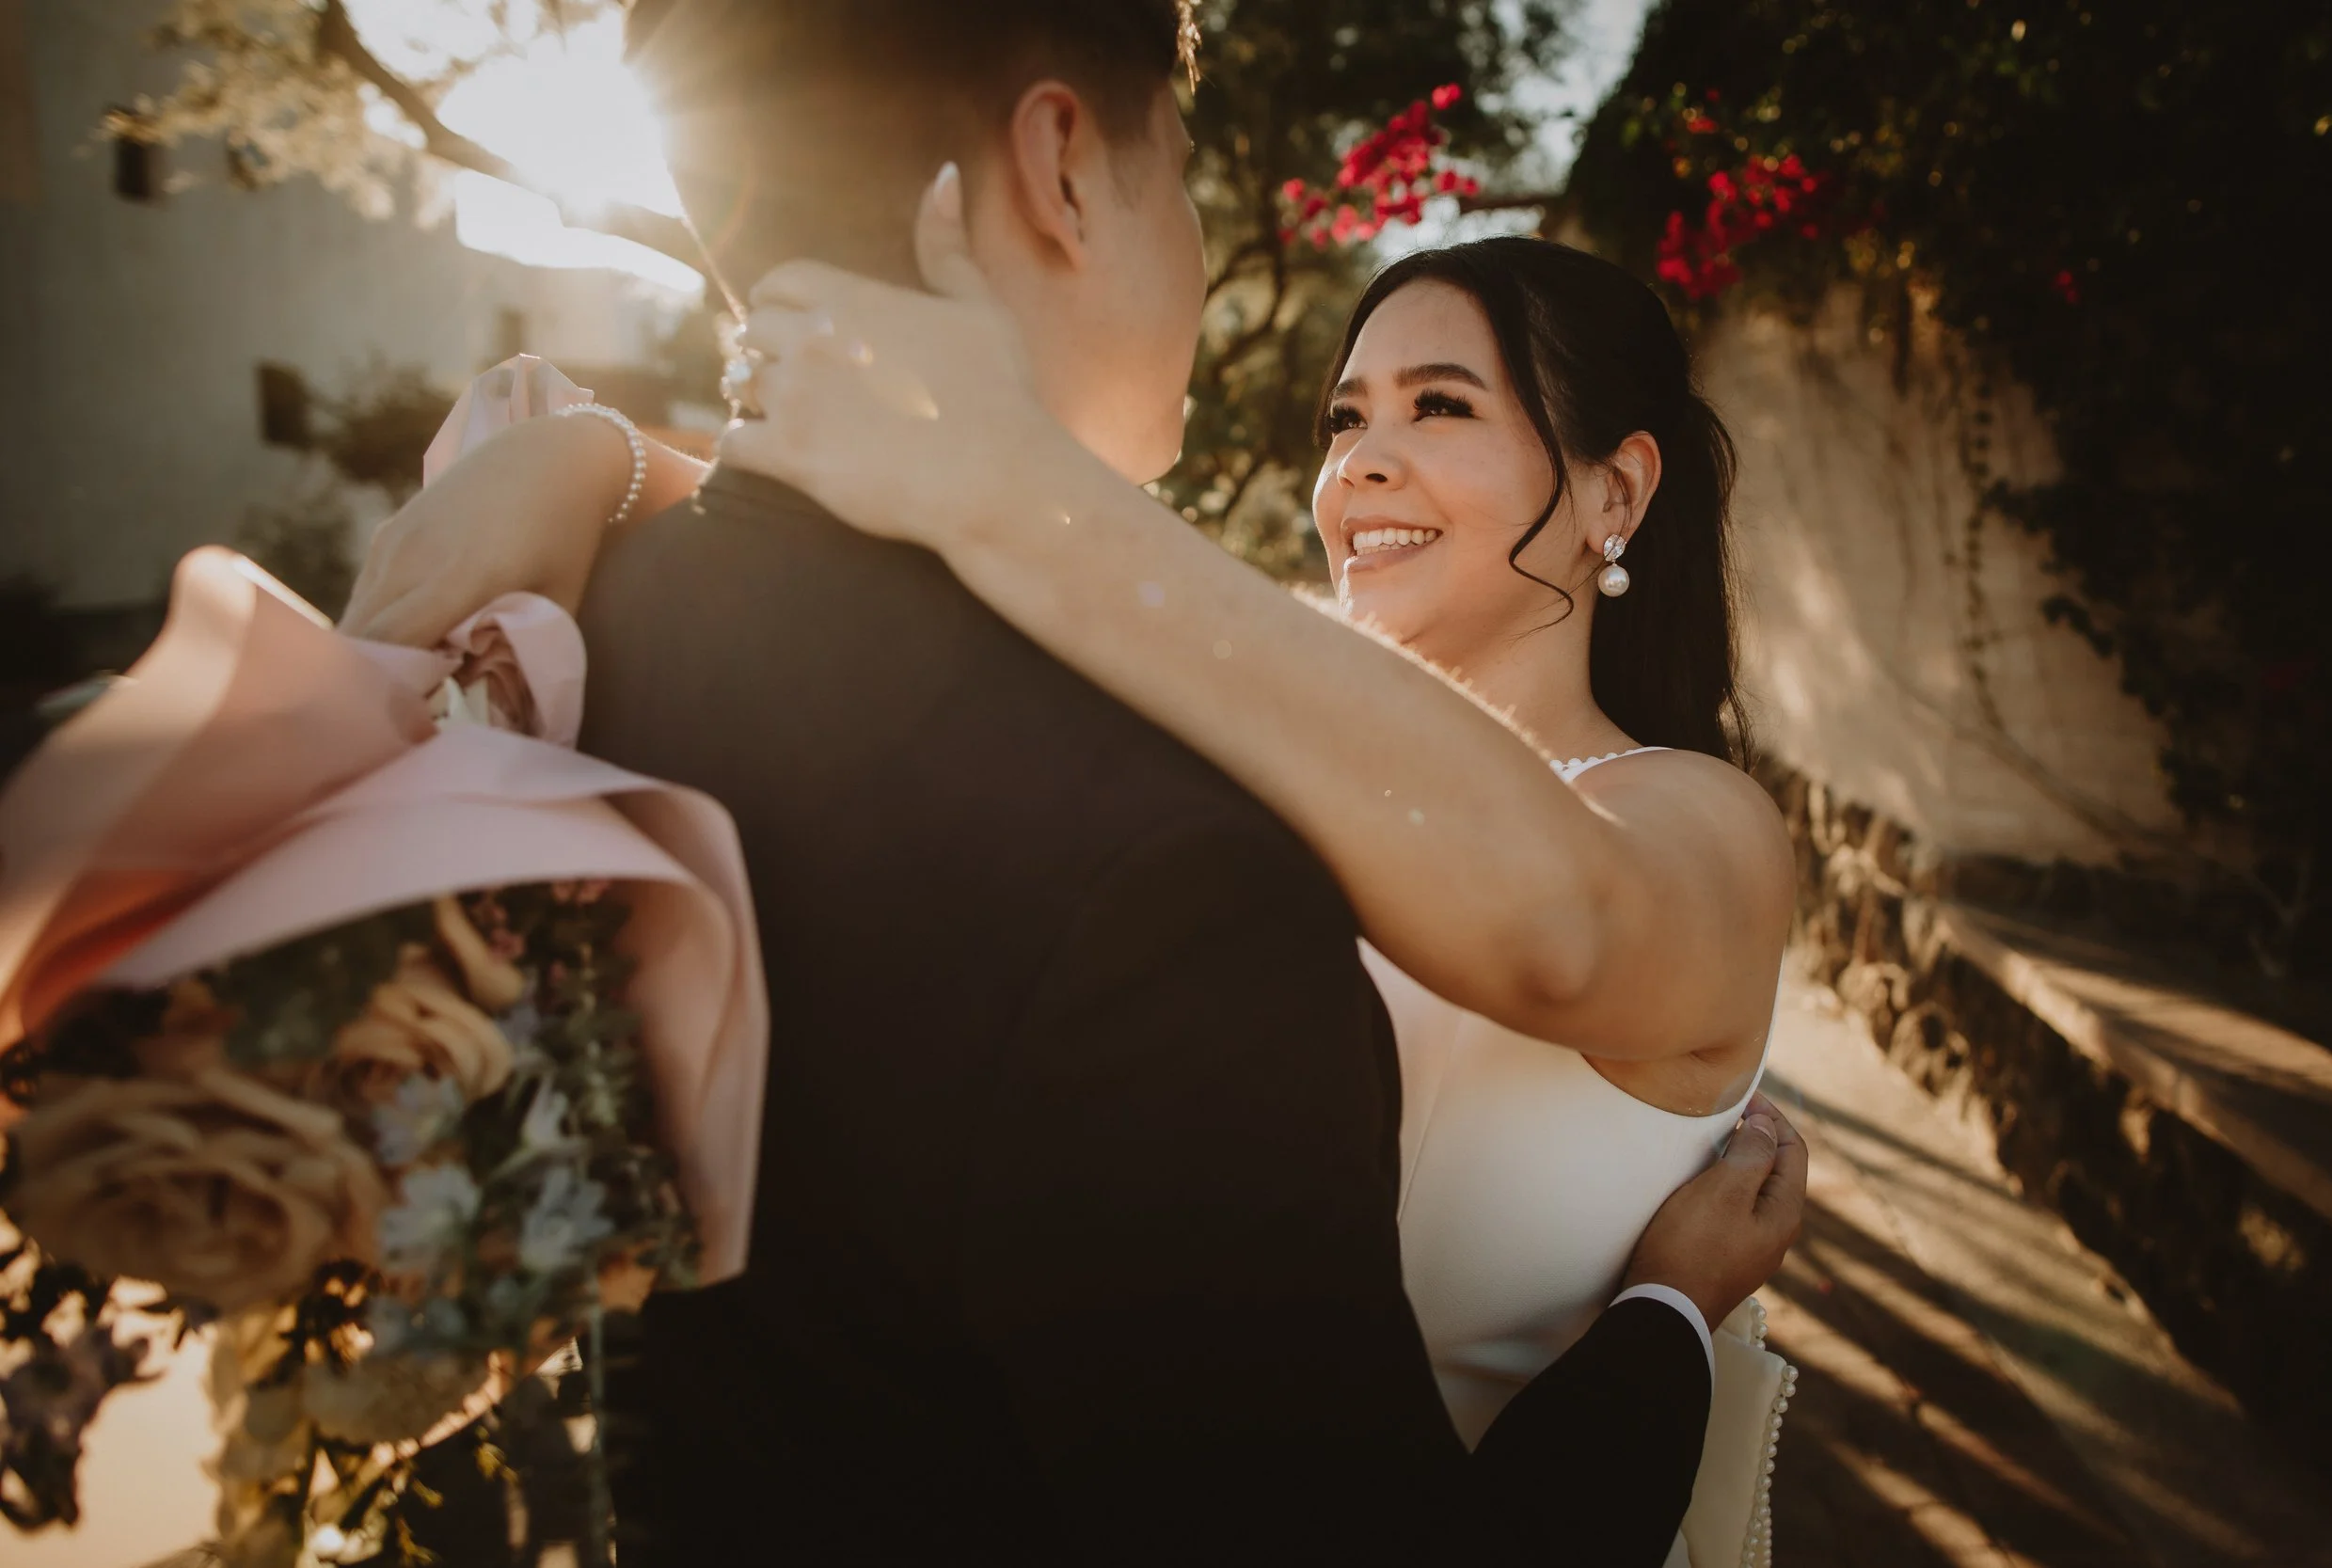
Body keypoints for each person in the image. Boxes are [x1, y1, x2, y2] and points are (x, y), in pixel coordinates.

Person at [344, 1, 1806, 1562]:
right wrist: (611, 459)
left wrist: (996, 479)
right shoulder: (1187, 811)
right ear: (1063, 164)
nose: (1356, 464)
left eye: (1439, 407)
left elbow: (1557, 915)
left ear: (1613, 490)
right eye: (1344, 418)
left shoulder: (1690, 821)